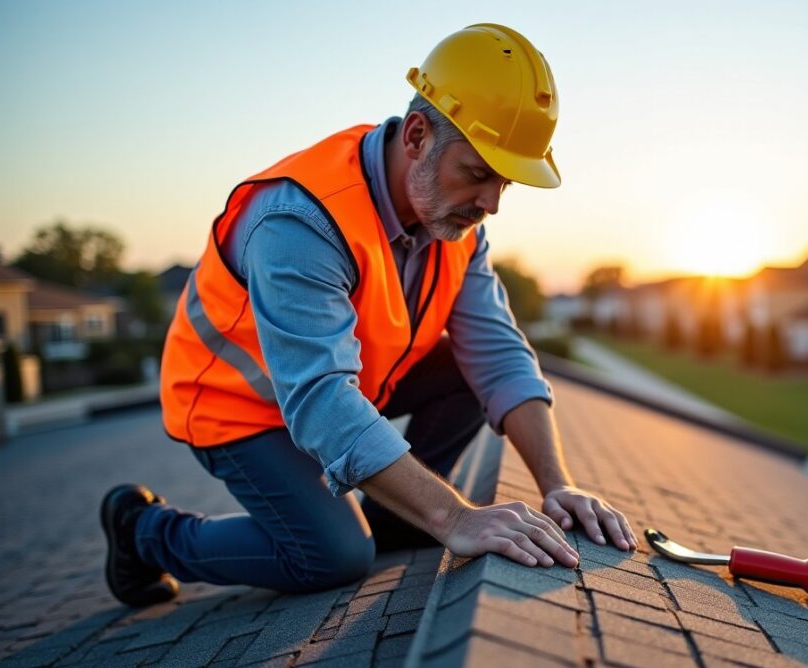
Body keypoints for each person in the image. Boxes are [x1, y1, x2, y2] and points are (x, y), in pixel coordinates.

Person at [100, 23, 638, 608]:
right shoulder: (299, 220)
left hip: (345, 386)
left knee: (458, 387)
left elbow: (498, 354)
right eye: (479, 173)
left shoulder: (452, 219)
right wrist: (456, 517)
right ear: (415, 135)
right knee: (334, 555)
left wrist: (556, 484)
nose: (491, 204)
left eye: (504, 182)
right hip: (237, 404)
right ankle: (144, 532)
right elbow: (320, 401)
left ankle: (404, 511)